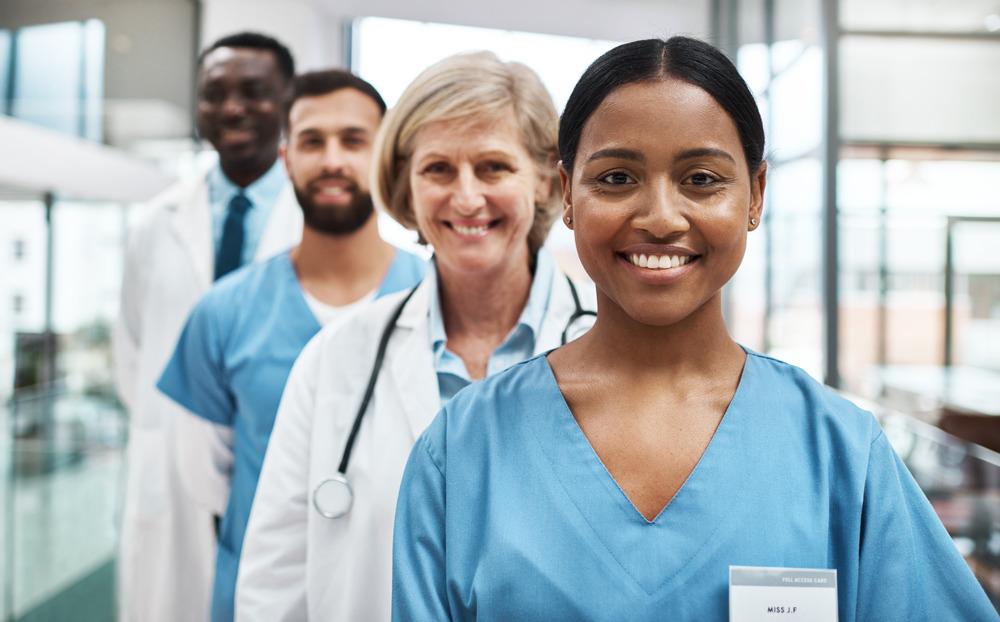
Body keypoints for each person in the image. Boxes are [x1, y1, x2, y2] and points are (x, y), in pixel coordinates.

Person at [391, 37, 998, 621]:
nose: (660, 218)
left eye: (702, 179)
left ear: (755, 194)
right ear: (567, 193)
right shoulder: (464, 451)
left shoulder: (841, 454)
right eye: (617, 178)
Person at [235, 51, 595, 621]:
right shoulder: (336, 360)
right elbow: (273, 584)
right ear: (405, 184)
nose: (467, 197)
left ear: (548, 179)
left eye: (494, 167)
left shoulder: (617, 345)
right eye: (439, 170)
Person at [156, 69, 426, 622]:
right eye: (311, 141)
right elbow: (206, 482)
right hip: (258, 598)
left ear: (387, 158)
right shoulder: (223, 312)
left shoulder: (436, 302)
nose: (332, 160)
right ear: (286, 161)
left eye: (354, 140)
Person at [112, 31, 300, 622]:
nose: (233, 108)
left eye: (255, 92)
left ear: (289, 103)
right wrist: (171, 429)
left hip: (278, 470)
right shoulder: (155, 223)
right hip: (169, 475)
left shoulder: (318, 226)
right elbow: (131, 349)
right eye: (214, 93)